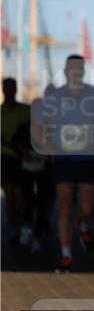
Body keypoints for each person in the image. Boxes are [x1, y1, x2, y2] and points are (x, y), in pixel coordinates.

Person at [40, 56, 94, 271]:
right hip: (63, 157)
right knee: (65, 205)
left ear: (84, 71)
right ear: (65, 70)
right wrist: (46, 143)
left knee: (87, 208)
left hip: (88, 157)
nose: (75, 72)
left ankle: (84, 225)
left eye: (79, 68)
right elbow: (41, 124)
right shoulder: (55, 96)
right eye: (71, 68)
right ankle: (66, 255)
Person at [13, 96, 53, 253]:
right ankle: (26, 227)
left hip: (44, 172)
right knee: (27, 201)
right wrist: (22, 152)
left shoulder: (50, 130)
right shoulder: (24, 128)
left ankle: (37, 235)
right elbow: (14, 144)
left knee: (42, 203)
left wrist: (49, 153)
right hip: (26, 171)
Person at [1, 78, 32, 246]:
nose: (9, 91)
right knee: (9, 193)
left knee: (22, 195)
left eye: (12, 88)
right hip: (5, 158)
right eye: (7, 88)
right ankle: (14, 226)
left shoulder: (26, 111)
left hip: (23, 159)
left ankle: (23, 222)